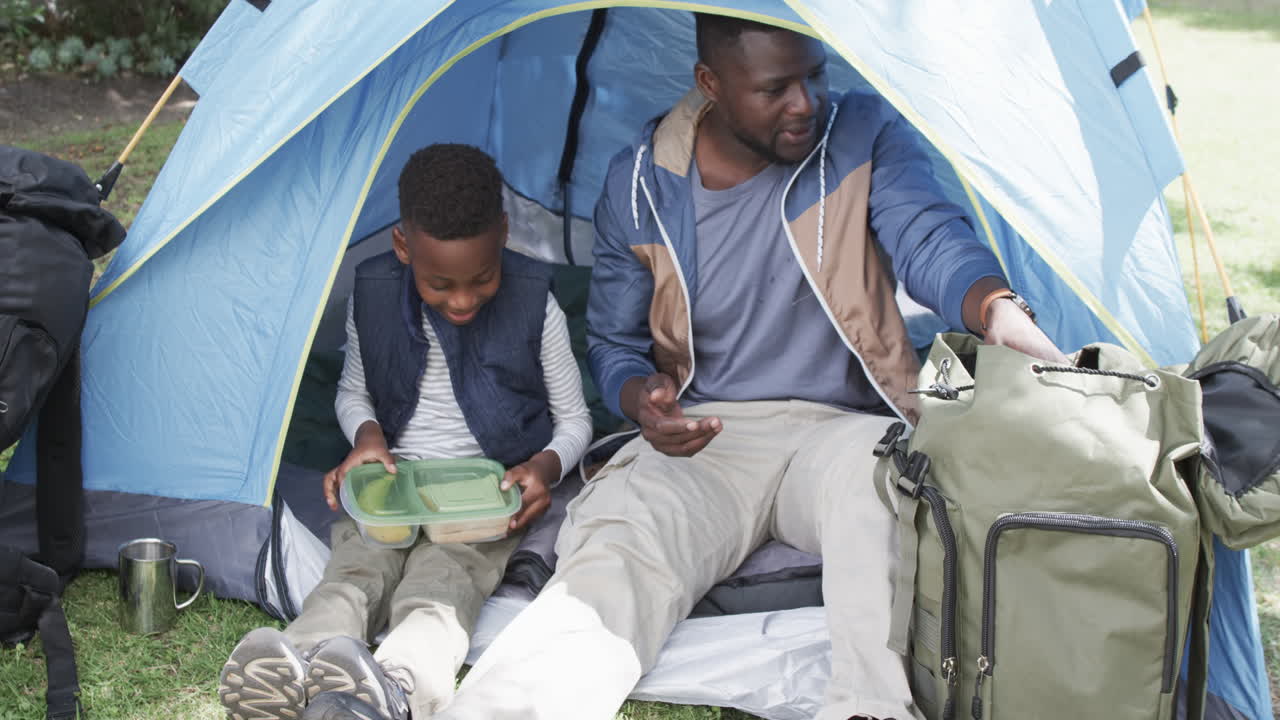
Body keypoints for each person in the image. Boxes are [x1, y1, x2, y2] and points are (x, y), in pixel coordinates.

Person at [431, 14, 1068, 720]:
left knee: (878, 496)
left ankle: (871, 708)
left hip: (840, 428)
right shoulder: (642, 182)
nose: (806, 103)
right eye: (775, 89)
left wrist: (996, 309)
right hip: (709, 434)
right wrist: (644, 400)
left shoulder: (862, 136)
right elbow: (612, 345)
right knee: (621, 540)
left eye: (814, 76)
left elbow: (930, 237)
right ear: (711, 84)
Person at [217, 144, 593, 720]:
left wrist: (543, 469)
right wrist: (367, 436)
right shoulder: (371, 293)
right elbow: (352, 391)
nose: (462, 300)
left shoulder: (534, 302)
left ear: (504, 234)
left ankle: (400, 686)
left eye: (483, 278)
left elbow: (575, 420)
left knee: (443, 586)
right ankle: (293, 665)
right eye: (439, 283)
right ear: (403, 247)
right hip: (391, 486)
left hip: (481, 495)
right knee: (353, 572)